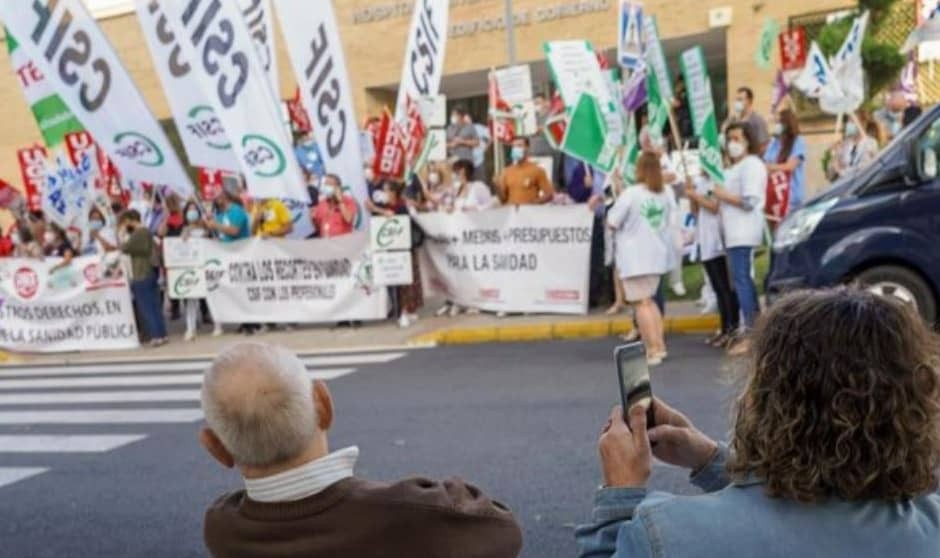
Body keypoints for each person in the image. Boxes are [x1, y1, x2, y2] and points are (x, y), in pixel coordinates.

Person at [576, 288, 940, 558]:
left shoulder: (664, 535)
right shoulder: (930, 524)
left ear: (768, 398)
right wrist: (713, 461)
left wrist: (620, 495)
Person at [200, 342, 523, 558]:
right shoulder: (414, 511)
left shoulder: (221, 528)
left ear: (217, 449)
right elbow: (505, 533)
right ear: (324, 405)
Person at [607, 152, 675, 366]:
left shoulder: (632, 193)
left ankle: (652, 349)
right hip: (656, 255)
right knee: (650, 302)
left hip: (634, 257)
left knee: (641, 304)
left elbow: (613, 221)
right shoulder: (663, 193)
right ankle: (660, 345)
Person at [712, 123, 767, 356]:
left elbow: (750, 201)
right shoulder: (735, 167)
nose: (732, 144)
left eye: (736, 138)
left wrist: (724, 195)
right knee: (741, 281)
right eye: (729, 139)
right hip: (732, 233)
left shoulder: (752, 165)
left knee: (743, 281)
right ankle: (753, 330)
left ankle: (753, 334)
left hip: (743, 232)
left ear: (747, 140)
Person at [684, 173, 740, 348]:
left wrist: (696, 196)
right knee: (717, 288)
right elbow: (695, 211)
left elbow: (715, 207)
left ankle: (733, 329)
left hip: (719, 240)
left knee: (726, 288)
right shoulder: (700, 181)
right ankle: (724, 329)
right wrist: (691, 194)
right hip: (706, 240)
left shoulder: (720, 180)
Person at [120, 209, 168, 347]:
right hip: (149, 271)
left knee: (147, 307)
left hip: (141, 272)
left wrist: (123, 235)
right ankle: (161, 334)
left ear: (129, 220)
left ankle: (155, 335)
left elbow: (125, 247)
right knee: (154, 306)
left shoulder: (139, 233)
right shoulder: (146, 232)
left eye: (125, 222)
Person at [567, 161, 607, 307]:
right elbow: (573, 193)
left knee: (608, 259)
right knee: (592, 258)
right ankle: (591, 295)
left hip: (610, 218)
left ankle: (609, 293)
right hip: (590, 220)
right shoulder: (582, 169)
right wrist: (585, 186)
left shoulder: (609, 169)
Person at [181, 201, 220, 341]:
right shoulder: (184, 229)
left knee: (212, 296)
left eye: (194, 209)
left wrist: (208, 231)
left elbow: (215, 240)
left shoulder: (206, 227)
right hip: (192, 268)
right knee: (191, 299)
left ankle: (218, 325)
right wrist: (184, 236)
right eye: (189, 210)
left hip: (207, 265)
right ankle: (190, 328)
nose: (192, 212)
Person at [764, 108, 808, 211]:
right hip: (775, 196)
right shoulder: (774, 142)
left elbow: (790, 166)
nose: (776, 125)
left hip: (791, 196)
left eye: (778, 122)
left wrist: (771, 167)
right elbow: (766, 163)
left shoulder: (798, 141)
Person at [494, 137, 555, 205]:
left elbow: (549, 195)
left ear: (527, 148)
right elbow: (503, 199)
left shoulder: (537, 170)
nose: (516, 149)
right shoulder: (506, 171)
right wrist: (497, 186)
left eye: (519, 146)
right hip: (510, 212)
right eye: (514, 146)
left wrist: (533, 204)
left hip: (529, 213)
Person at [827, 113, 879, 182]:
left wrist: (840, 170)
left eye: (852, 122)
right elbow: (830, 175)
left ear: (862, 124)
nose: (849, 125)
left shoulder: (871, 143)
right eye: (848, 122)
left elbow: (862, 168)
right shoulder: (845, 144)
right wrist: (834, 154)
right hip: (842, 186)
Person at [722, 87, 770, 154]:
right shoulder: (732, 120)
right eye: (736, 100)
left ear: (749, 101)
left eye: (740, 99)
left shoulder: (757, 121)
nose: (737, 102)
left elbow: (764, 145)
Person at [312, 174, 358, 238]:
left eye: (329, 184)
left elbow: (349, 219)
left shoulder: (348, 201)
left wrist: (340, 201)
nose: (326, 187)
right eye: (325, 184)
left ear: (337, 187)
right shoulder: (322, 203)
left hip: (344, 242)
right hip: (326, 242)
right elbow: (318, 225)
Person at [446, 106, 480, 171]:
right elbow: (442, 144)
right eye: (452, 115)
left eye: (454, 115)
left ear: (461, 116)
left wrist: (462, 141)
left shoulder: (470, 127)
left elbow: (477, 143)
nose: (452, 117)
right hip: (453, 161)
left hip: (466, 161)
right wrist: (451, 145)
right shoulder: (449, 128)